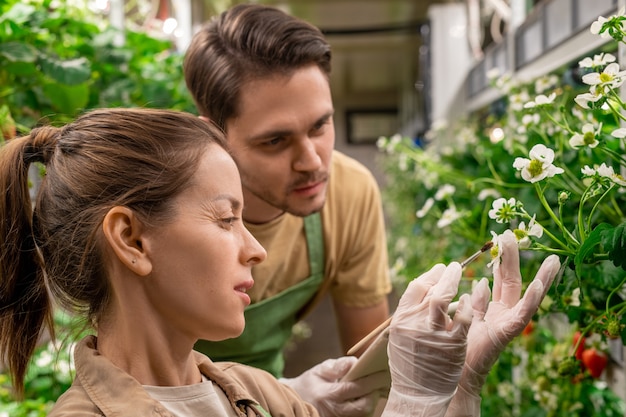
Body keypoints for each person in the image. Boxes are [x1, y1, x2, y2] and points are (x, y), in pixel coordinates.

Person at [0, 106, 527, 417]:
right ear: (132, 240)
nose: (257, 249)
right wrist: (412, 399)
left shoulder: (254, 393)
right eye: (227, 220)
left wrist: (454, 393)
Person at [182, 4, 563, 416]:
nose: (311, 161)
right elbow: (128, 380)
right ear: (213, 134)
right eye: (275, 141)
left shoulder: (348, 192)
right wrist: (280, 394)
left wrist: (447, 385)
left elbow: (369, 372)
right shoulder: (171, 211)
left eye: (320, 126)